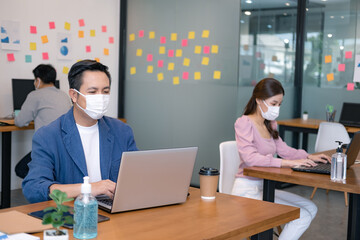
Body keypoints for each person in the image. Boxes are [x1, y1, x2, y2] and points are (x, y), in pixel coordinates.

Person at [22, 60, 138, 203]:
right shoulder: (48, 135)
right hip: (73, 213)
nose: (100, 97)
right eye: (92, 91)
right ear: (74, 95)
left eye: (105, 91)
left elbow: (137, 177)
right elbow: (34, 188)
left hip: (116, 211)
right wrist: (88, 188)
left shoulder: (122, 131)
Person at [232, 78, 330, 240]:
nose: (276, 108)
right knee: (303, 215)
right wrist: (287, 163)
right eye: (273, 103)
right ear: (258, 100)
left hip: (266, 187)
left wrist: (309, 156)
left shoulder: (270, 124)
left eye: (279, 104)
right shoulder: (244, 123)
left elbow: (284, 150)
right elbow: (250, 158)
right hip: (246, 190)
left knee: (310, 208)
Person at [14, 64, 71, 179]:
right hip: (66, 147)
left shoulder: (35, 95)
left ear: (38, 80)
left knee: (20, 169)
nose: (35, 83)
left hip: (47, 148)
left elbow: (19, 122)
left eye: (35, 80)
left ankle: (45, 185)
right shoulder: (64, 95)